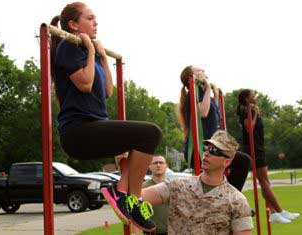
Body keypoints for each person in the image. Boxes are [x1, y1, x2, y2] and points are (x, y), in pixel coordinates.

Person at [50, 2, 162, 232]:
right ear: (73, 24)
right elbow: (85, 84)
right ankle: (132, 199)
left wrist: (101, 57)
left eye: (95, 19)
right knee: (150, 133)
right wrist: (91, 51)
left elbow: (108, 90)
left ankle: (122, 193)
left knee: (144, 140)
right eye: (89, 19)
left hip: (95, 126)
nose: (96, 23)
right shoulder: (68, 46)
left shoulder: (85, 50)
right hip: (78, 132)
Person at [142, 130, 253, 235]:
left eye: (214, 151)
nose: (206, 153)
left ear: (227, 161)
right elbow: (135, 198)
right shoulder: (178, 186)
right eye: (206, 148)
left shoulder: (237, 201)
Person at [178, 65, 251, 192]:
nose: (204, 71)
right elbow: (203, 112)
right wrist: (207, 88)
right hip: (201, 149)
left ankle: (227, 197)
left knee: (240, 162)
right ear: (192, 77)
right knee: (243, 161)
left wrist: (215, 94)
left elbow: (214, 114)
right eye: (199, 70)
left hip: (211, 146)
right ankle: (230, 197)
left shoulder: (201, 93)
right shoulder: (193, 93)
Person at [237, 89, 300, 223]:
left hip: (259, 148)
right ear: (247, 99)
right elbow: (249, 128)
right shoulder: (245, 112)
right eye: (253, 95)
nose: (256, 97)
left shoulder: (252, 110)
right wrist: (254, 115)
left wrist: (256, 113)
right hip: (253, 150)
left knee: (266, 182)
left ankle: (274, 213)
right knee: (264, 182)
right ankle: (280, 211)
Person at [134, 156, 169, 235]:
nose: (158, 165)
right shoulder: (141, 188)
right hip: (150, 232)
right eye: (155, 163)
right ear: (149, 167)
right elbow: (135, 211)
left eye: (161, 163)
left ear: (166, 166)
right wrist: (136, 233)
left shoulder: (173, 186)